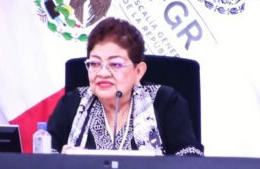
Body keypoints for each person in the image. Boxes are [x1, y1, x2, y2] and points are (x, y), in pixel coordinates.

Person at [46, 17, 203, 156]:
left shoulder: (165, 102)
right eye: (94, 63)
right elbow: (45, 158)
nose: (103, 73)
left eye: (115, 64)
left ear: (138, 71)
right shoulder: (72, 102)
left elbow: (189, 159)